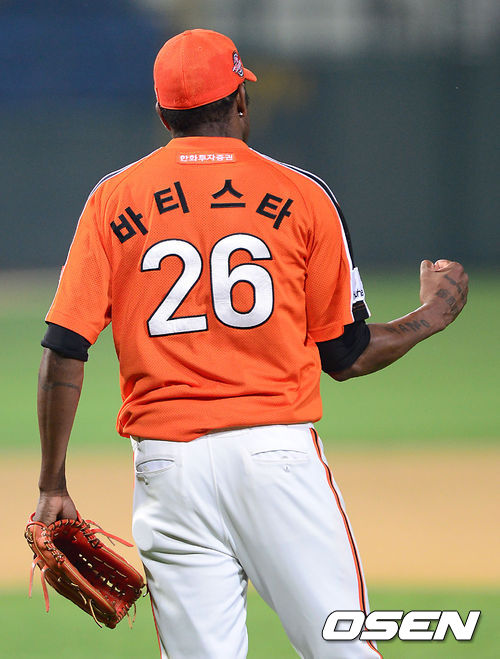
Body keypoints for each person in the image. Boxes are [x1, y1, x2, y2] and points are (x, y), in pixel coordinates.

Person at [32, 28, 468, 659]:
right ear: (240, 101)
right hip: (275, 461)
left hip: (167, 471)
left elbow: (64, 349)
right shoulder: (303, 195)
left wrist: (52, 485)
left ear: (163, 115)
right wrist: (431, 314)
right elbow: (346, 356)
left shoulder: (112, 201)